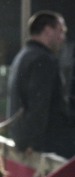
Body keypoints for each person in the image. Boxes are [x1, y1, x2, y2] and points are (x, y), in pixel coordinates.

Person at [8, 10, 75, 158]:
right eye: (61, 31)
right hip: (49, 146)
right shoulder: (43, 60)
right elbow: (39, 106)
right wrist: (32, 143)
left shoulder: (23, 55)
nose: (63, 37)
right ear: (47, 30)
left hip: (26, 140)